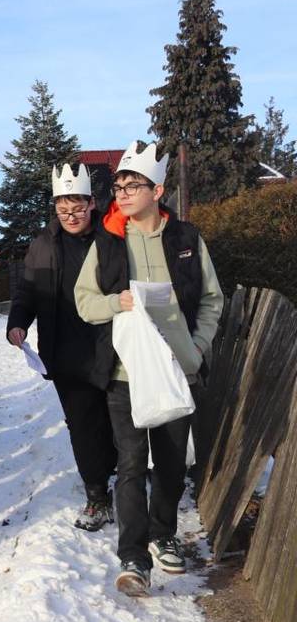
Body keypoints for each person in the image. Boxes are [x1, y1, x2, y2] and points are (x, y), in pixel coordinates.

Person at [74, 141, 223, 597]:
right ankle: (134, 558)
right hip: (125, 374)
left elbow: (212, 300)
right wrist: (114, 302)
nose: (121, 192)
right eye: (117, 185)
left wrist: (197, 347)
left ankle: (163, 534)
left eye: (131, 184)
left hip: (179, 370)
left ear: (157, 190)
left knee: (173, 463)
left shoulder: (186, 238)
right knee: (132, 464)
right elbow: (83, 302)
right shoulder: (107, 241)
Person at [7, 163, 117, 532]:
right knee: (83, 426)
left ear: (91, 203)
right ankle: (98, 494)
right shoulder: (43, 245)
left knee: (119, 423)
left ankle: (125, 478)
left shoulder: (112, 236)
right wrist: (18, 323)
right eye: (62, 210)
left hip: (113, 345)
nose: (71, 216)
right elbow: (27, 291)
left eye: (78, 208)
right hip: (66, 351)